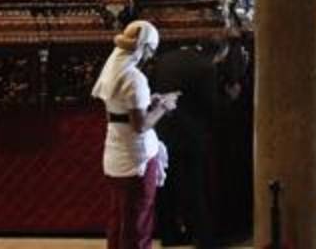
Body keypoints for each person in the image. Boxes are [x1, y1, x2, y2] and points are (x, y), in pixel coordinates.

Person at [91, 21, 177, 249]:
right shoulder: (134, 78)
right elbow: (140, 125)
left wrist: (151, 101)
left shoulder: (112, 71)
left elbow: (119, 113)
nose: (150, 57)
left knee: (119, 220)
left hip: (115, 153)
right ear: (143, 48)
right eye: (150, 51)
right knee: (139, 222)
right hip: (136, 158)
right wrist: (164, 106)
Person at [150, 38, 225, 247]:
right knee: (194, 186)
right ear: (218, 54)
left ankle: (169, 234)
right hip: (190, 134)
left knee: (166, 186)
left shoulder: (165, 59)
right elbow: (210, 105)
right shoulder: (206, 67)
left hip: (162, 129)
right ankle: (203, 237)